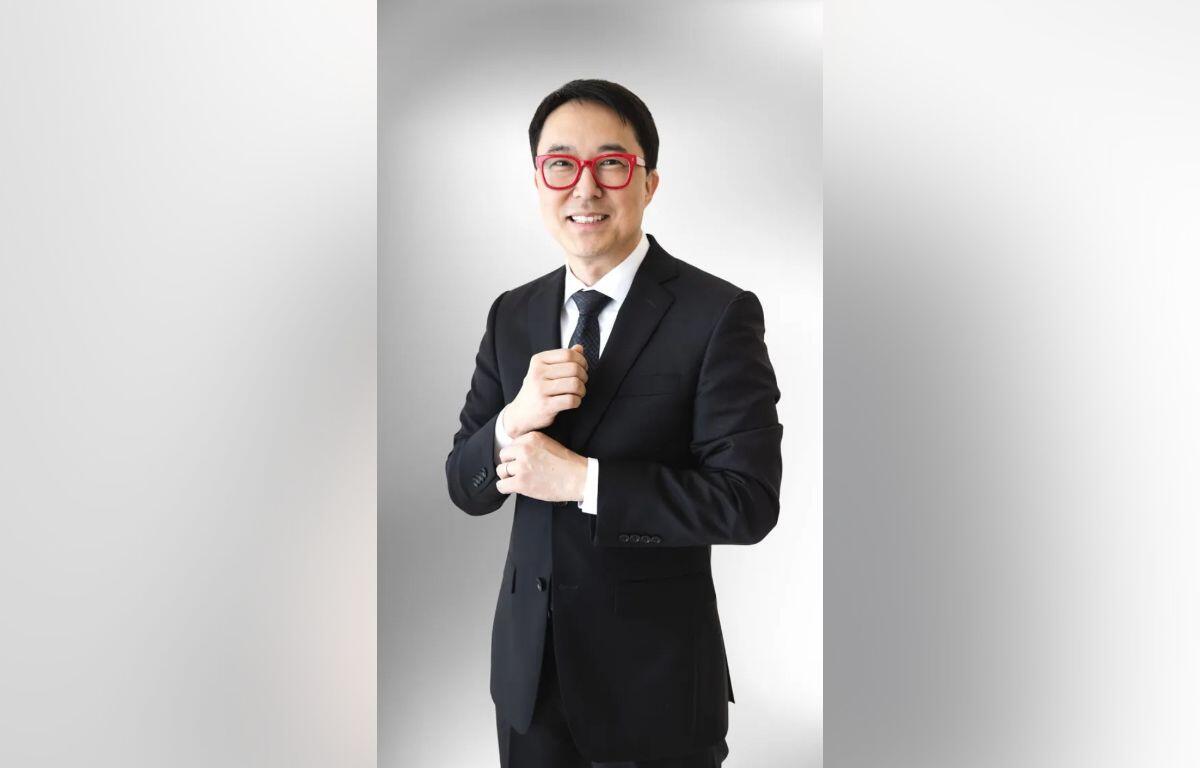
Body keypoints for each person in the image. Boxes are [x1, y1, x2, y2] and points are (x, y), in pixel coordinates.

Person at [445, 78, 783, 768]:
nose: (585, 187)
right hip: (529, 687)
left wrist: (584, 481)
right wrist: (514, 419)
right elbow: (465, 485)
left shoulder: (718, 314)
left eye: (611, 163)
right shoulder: (511, 313)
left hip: (655, 694)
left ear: (648, 182)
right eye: (561, 164)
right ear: (538, 181)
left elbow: (748, 502)